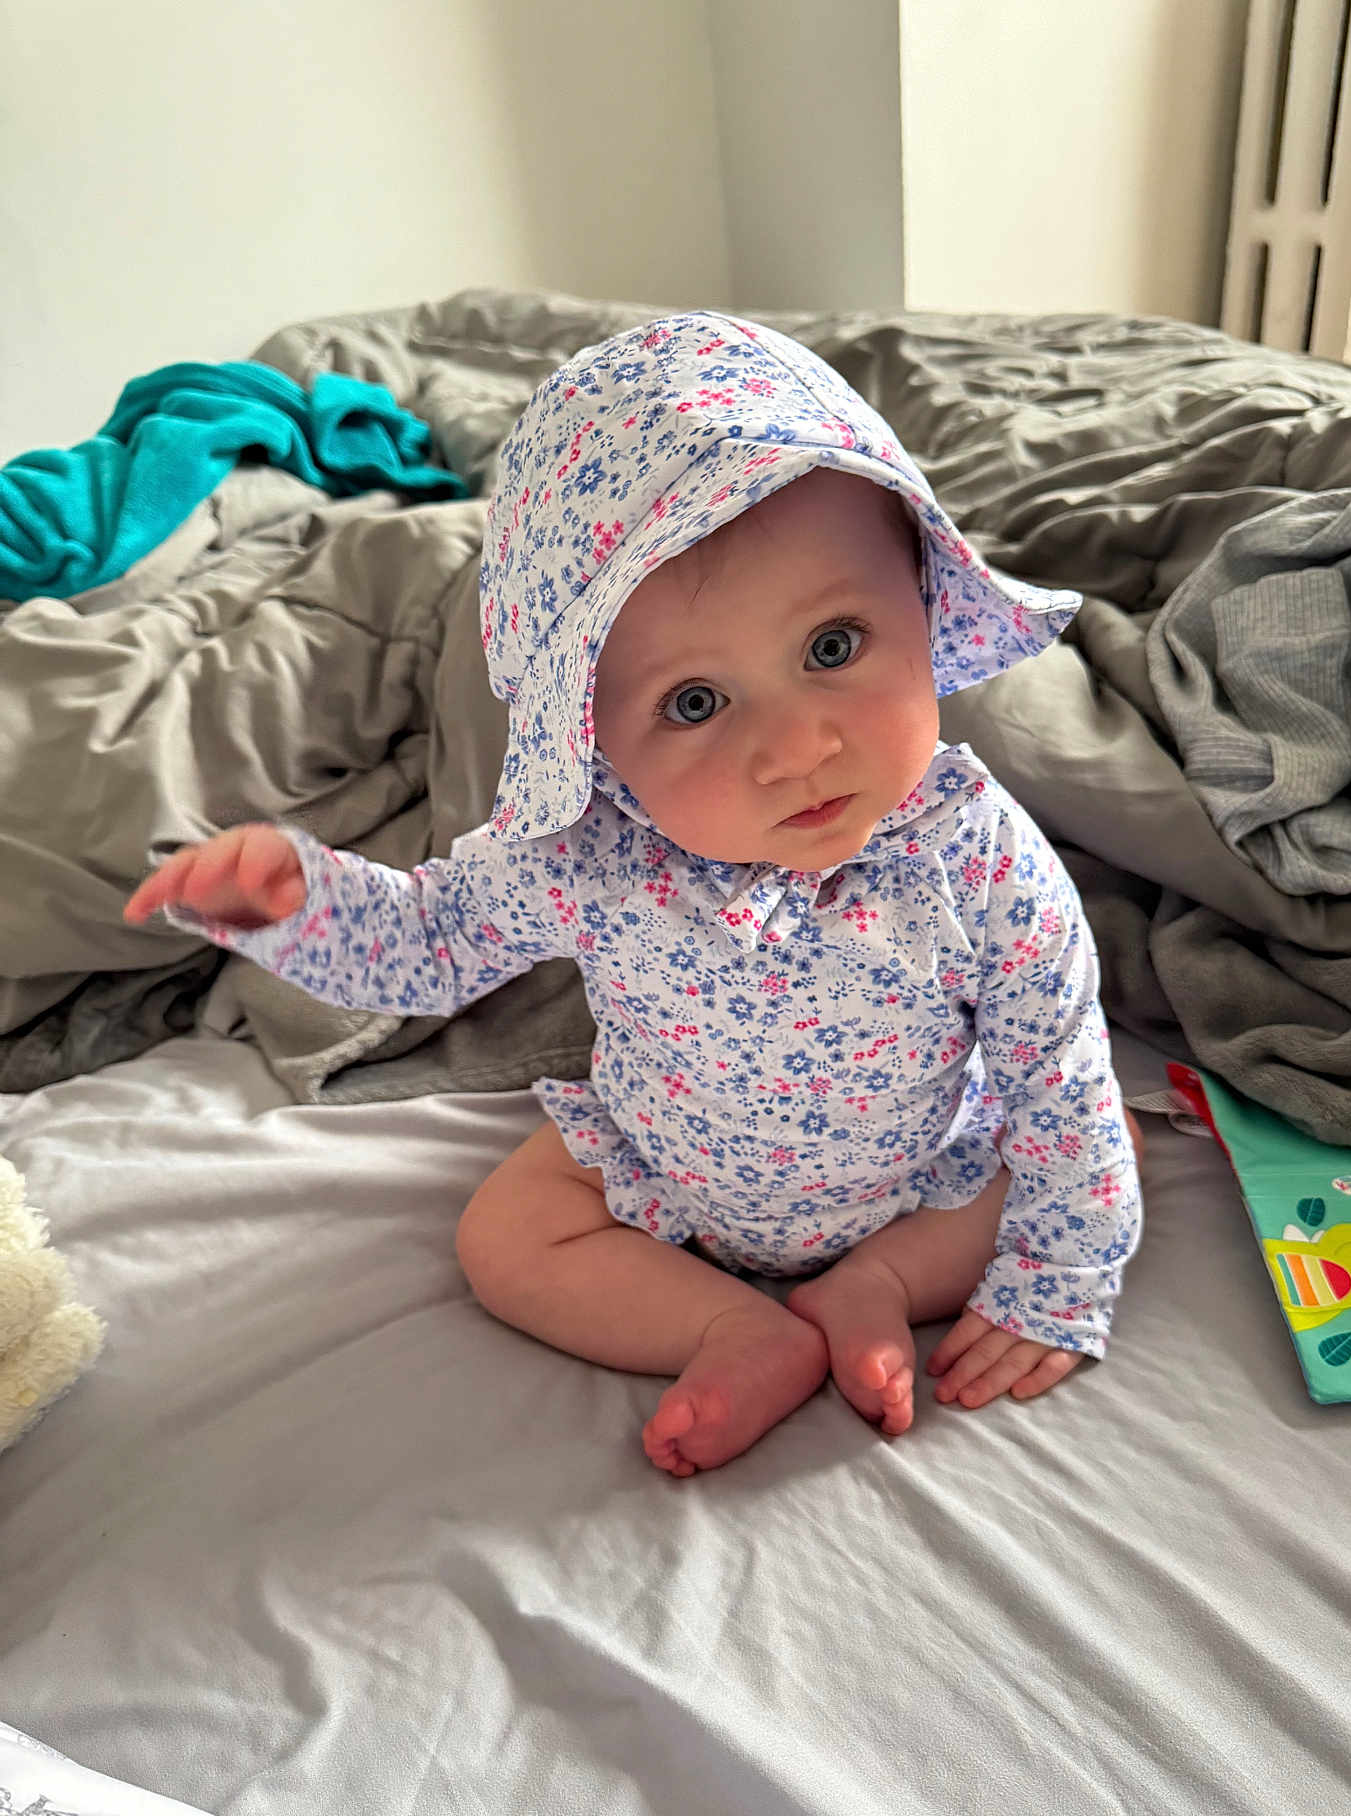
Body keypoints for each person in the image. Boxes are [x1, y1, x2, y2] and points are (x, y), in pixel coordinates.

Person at [125, 312, 1143, 1478]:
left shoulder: (977, 857)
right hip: (666, 1175)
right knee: (507, 1236)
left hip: (917, 1181)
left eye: (832, 646)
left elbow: (1055, 1065)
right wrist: (295, 904)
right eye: (697, 704)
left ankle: (876, 1285)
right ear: (594, 741)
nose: (798, 749)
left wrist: (1058, 1278)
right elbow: (430, 942)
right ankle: (734, 1328)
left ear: (922, 600)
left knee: (1072, 1158)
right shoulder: (593, 856)